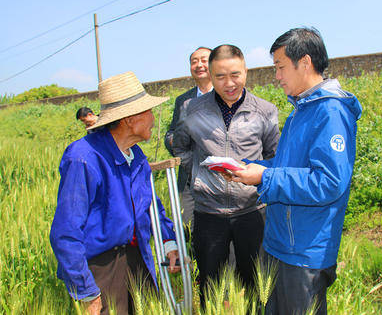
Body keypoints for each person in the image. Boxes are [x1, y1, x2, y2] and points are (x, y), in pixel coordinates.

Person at [230, 28, 362, 314]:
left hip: (304, 250)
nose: (276, 76)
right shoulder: (301, 109)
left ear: (304, 62)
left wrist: (265, 177)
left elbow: (328, 182)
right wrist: (252, 168)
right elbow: (287, 168)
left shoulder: (330, 112)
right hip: (280, 243)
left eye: (279, 67)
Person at [50, 71, 180, 315]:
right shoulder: (83, 158)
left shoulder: (136, 155)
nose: (154, 119)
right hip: (101, 267)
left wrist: (168, 240)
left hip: (137, 256)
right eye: (149, 112)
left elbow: (151, 203)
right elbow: (65, 231)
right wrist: (86, 290)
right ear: (129, 119)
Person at [172, 44, 280, 306]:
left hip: (252, 213)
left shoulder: (265, 110)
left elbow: (274, 156)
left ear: (246, 71)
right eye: (220, 76)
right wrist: (198, 173)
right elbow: (179, 146)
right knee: (211, 289)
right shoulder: (193, 109)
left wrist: (256, 173)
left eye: (235, 74)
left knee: (256, 289)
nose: (229, 83)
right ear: (210, 74)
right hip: (208, 214)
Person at [165, 47, 212, 226]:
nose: (199, 65)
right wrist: (174, 141)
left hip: (219, 176)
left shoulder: (226, 95)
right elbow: (170, 133)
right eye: (194, 61)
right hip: (189, 177)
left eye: (204, 60)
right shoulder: (183, 100)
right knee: (189, 228)